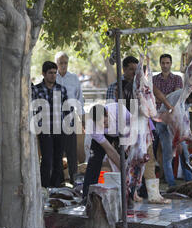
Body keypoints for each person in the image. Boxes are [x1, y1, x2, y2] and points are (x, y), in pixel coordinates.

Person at [82, 103, 131, 203]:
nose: (104, 126)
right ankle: (87, 196)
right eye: (101, 124)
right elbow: (110, 151)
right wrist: (123, 169)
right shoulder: (93, 127)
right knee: (94, 161)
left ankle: (134, 192)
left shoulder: (120, 111)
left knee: (133, 160)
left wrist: (127, 169)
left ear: (107, 113)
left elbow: (135, 127)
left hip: (124, 130)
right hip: (106, 136)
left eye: (105, 122)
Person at [32, 61, 68, 188]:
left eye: (54, 73)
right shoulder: (36, 90)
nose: (53, 75)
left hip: (60, 129)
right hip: (45, 130)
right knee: (46, 160)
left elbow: (67, 109)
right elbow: (33, 110)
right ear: (43, 74)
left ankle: (56, 187)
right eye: (50, 73)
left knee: (58, 161)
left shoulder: (61, 89)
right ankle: (44, 187)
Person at [152, 54, 183, 187]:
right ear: (160, 64)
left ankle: (169, 180)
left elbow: (175, 97)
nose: (165, 65)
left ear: (171, 64)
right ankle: (153, 177)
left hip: (170, 119)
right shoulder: (153, 79)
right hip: (155, 117)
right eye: (163, 63)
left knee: (170, 150)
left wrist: (161, 98)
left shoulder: (177, 79)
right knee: (153, 149)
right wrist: (165, 99)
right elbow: (152, 98)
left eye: (167, 63)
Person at [55, 52, 84, 185]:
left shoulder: (73, 78)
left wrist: (82, 118)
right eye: (61, 63)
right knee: (57, 152)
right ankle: (59, 181)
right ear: (57, 64)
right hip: (54, 118)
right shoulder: (52, 77)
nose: (63, 65)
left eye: (65, 62)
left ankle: (74, 180)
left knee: (72, 152)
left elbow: (79, 98)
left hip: (70, 117)